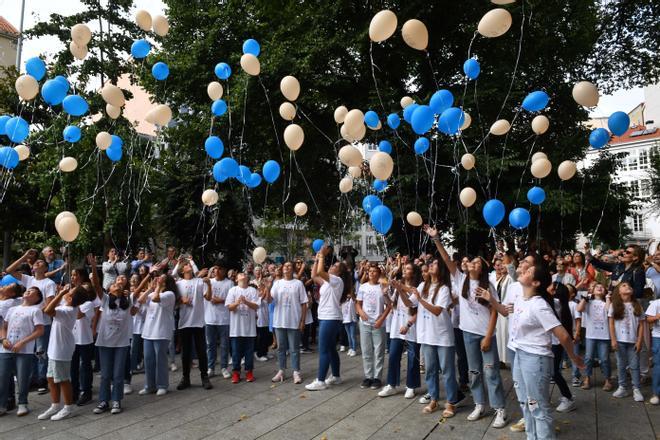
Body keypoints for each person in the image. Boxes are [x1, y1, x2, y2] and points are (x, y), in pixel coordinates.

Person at [480, 264, 584, 440]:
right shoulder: (521, 299)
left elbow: (564, 336)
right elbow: (505, 312)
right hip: (520, 355)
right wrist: (492, 300)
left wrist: (574, 358)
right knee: (525, 403)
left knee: (538, 407)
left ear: (535, 283)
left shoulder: (539, 306)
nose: (523, 270)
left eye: (528, 271)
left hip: (536, 359)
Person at [425, 226, 508, 428]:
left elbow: (496, 311)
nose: (472, 263)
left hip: (485, 335)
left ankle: (500, 410)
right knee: (474, 372)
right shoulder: (460, 279)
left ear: (482, 268)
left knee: (491, 372)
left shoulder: (487, 285)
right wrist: (436, 238)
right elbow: (446, 259)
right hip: (468, 334)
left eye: (477, 262)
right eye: (471, 261)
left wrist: (488, 336)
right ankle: (480, 404)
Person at [90, 255, 138, 415]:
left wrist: (150, 275)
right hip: (104, 343)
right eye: (113, 285)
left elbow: (136, 290)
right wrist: (94, 267)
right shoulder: (104, 300)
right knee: (105, 374)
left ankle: (116, 400)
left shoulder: (127, 301)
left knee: (118, 375)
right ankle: (104, 401)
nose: (116, 286)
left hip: (121, 343)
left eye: (118, 285)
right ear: (109, 290)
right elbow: (96, 284)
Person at [413, 259, 462, 417]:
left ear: (440, 270)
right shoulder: (422, 286)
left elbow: (437, 311)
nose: (431, 266)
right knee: (430, 370)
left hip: (442, 336)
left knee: (447, 371)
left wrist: (420, 300)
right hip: (426, 335)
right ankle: (433, 399)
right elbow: (409, 302)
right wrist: (399, 289)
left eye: (434, 264)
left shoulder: (444, 289)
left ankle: (451, 402)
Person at [5, 250, 57, 395]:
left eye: (40, 262)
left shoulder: (49, 283)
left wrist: (35, 311)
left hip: (42, 322)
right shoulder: (29, 280)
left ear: (46, 268)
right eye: (35, 262)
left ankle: (42, 380)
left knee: (41, 352)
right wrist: (24, 257)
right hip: (27, 323)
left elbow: (49, 304)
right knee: (30, 351)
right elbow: (9, 270)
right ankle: (32, 379)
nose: (36, 263)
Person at [305, 246, 352, 391]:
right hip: (328, 317)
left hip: (330, 318)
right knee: (331, 349)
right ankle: (336, 376)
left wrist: (321, 257)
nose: (332, 266)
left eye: (335, 266)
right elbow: (314, 275)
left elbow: (320, 272)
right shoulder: (329, 282)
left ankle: (320, 381)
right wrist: (317, 257)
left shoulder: (337, 280)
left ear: (340, 272)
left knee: (323, 349)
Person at [38, 285, 88, 421]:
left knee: (63, 379)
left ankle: (68, 407)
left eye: (69, 292)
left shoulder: (68, 310)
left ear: (70, 298)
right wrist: (61, 294)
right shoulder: (68, 307)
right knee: (51, 377)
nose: (67, 292)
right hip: (54, 348)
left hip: (61, 349)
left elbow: (48, 310)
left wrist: (60, 294)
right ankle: (55, 405)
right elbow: (47, 308)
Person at [379, 262, 421, 399]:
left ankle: (411, 386)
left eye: (408, 268)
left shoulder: (417, 288)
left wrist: (408, 324)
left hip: (411, 327)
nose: (404, 269)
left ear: (414, 273)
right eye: (405, 268)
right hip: (397, 326)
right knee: (393, 356)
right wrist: (385, 294)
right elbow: (392, 304)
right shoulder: (399, 286)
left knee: (412, 358)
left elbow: (413, 306)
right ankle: (391, 384)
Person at [0, 285, 44, 417]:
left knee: (22, 377)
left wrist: (22, 342)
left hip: (25, 350)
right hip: (6, 348)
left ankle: (23, 403)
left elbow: (39, 330)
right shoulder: (12, 309)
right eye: (28, 290)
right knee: (2, 377)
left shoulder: (35, 310)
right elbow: (4, 326)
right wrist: (3, 339)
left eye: (32, 292)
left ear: (37, 298)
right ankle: (1, 405)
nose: (28, 291)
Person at [268, 261, 308, 384]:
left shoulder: (298, 283)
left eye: (289, 266)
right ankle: (281, 370)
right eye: (285, 266)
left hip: (293, 320)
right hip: (279, 320)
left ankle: (296, 371)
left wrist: (302, 321)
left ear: (293, 269)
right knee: (281, 348)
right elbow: (270, 300)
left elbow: (304, 303)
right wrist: (268, 287)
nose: (286, 267)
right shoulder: (277, 283)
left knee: (294, 348)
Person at [138, 272, 178, 395]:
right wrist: (151, 287)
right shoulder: (153, 292)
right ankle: (150, 386)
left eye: (161, 279)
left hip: (161, 331)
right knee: (149, 359)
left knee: (160, 359)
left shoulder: (169, 294)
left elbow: (156, 298)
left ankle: (162, 385)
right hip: (148, 331)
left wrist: (158, 287)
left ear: (166, 283)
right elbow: (140, 300)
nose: (158, 279)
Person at [175, 262, 213, 390]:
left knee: (201, 351)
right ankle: (185, 378)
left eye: (189, 264)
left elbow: (208, 298)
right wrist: (181, 300)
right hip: (184, 322)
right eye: (186, 265)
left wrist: (208, 284)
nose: (189, 265)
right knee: (186, 353)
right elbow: (173, 302)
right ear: (182, 270)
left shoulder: (199, 281)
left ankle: (204, 377)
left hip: (198, 322)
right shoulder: (178, 284)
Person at [356, 264, 391, 390]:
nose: (371, 273)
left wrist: (381, 319)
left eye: (374, 271)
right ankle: (368, 376)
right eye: (370, 271)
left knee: (379, 351)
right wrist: (361, 312)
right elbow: (358, 304)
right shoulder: (363, 287)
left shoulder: (382, 287)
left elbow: (389, 306)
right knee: (366, 351)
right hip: (365, 323)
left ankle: (377, 377)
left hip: (378, 324)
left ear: (378, 273)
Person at [608, 281, 645, 401]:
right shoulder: (614, 305)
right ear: (618, 291)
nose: (627, 286)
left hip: (633, 341)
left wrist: (639, 341)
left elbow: (641, 325)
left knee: (634, 365)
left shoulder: (637, 304)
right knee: (621, 365)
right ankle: (622, 387)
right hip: (619, 340)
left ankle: (636, 389)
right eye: (623, 285)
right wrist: (613, 339)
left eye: (629, 285)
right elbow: (611, 323)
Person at [576, 282, 613, 391]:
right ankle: (587, 378)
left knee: (604, 358)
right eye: (597, 287)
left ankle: (607, 379)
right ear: (592, 290)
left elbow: (608, 311)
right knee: (588, 357)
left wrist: (607, 298)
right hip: (591, 335)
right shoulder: (588, 302)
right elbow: (579, 309)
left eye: (602, 287)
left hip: (604, 335)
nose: (600, 288)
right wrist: (585, 298)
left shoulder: (607, 302)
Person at [70, 267, 97, 406]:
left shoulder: (87, 304)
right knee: (73, 366)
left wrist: (73, 296)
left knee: (85, 365)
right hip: (71, 338)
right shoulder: (70, 301)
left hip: (84, 338)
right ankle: (73, 391)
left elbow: (78, 315)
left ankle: (86, 391)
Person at [226, 273, 260, 383]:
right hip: (236, 328)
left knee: (249, 352)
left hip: (249, 328)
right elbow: (229, 307)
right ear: (236, 279)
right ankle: (236, 373)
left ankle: (249, 372)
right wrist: (237, 302)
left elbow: (256, 306)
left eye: (244, 274)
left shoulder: (253, 290)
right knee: (236, 352)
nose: (243, 275)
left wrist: (246, 302)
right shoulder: (233, 290)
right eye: (240, 274)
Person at [550, 283, 577, 412]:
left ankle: (568, 397)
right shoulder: (561, 304)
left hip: (555, 342)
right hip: (554, 342)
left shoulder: (555, 303)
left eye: (551, 287)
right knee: (552, 372)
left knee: (554, 372)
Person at [204, 264, 233, 379]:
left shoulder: (229, 283)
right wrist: (209, 286)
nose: (217, 271)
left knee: (224, 345)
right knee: (210, 345)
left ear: (224, 271)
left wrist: (220, 300)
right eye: (215, 268)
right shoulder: (208, 281)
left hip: (224, 319)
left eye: (220, 268)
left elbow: (232, 300)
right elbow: (206, 297)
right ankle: (211, 367)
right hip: (210, 318)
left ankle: (224, 367)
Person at [645, 295, 660, 405]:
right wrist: (657, 317)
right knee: (658, 366)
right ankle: (656, 393)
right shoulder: (656, 303)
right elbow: (648, 319)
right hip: (658, 337)